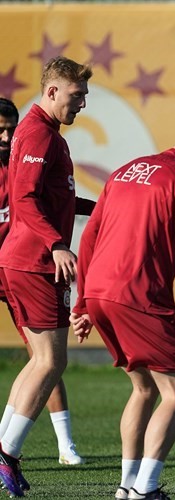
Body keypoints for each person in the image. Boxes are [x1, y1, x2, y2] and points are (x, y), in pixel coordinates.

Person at [69, 112, 175, 500]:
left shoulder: (127, 170)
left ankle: (126, 487)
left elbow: (90, 236)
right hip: (139, 296)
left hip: (100, 292)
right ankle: (145, 489)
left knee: (144, 389)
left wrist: (82, 304)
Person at [0, 57, 92, 497]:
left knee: (41, 361)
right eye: (77, 96)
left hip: (26, 259)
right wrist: (57, 243)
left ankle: (3, 448)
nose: (83, 104)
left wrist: (104, 206)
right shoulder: (38, 132)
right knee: (53, 362)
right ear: (52, 91)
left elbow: (54, 196)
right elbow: (24, 196)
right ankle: (7, 454)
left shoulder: (43, 131)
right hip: (33, 261)